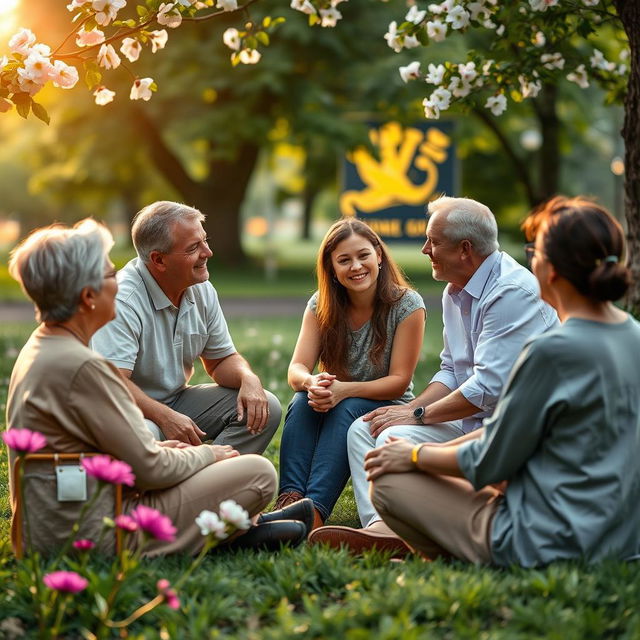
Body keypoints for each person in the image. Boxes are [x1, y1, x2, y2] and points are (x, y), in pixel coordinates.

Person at [5, 220, 310, 556]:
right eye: (110, 276)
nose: (118, 285)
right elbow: (149, 469)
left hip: (71, 512)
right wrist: (209, 455)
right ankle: (238, 530)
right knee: (259, 473)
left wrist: (176, 452)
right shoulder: (83, 366)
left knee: (227, 459)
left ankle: (244, 525)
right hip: (93, 530)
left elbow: (128, 454)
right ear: (88, 296)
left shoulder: (47, 345)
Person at [365, 196, 640, 566]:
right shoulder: (633, 336)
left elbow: (489, 461)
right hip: (622, 540)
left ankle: (451, 556)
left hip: (549, 541)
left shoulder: (551, 352)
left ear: (552, 270)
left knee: (388, 479)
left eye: (534, 251)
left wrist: (412, 455)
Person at [309, 196, 558, 553]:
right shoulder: (455, 290)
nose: (425, 249)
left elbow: (488, 389)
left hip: (506, 430)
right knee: (368, 428)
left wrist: (416, 413)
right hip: (470, 421)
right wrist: (412, 411)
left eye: (433, 241)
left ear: (465, 249)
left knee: (391, 440)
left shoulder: (511, 293)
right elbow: (452, 371)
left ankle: (417, 523)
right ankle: (384, 528)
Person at [91, 201, 281, 452]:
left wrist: (249, 378)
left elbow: (221, 360)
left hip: (175, 400)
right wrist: (164, 417)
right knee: (144, 435)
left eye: (205, 240)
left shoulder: (200, 287)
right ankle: (182, 482)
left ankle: (211, 483)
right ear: (159, 260)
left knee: (266, 405)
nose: (208, 252)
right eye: (194, 247)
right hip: (123, 410)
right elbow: (112, 384)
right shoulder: (121, 300)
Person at [275, 218, 426, 528]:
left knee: (347, 406)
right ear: (331, 268)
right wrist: (312, 382)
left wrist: (343, 390)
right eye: (344, 260)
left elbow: (399, 382)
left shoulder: (407, 305)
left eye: (363, 255)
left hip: (386, 404)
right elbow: (296, 370)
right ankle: (289, 500)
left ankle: (314, 511)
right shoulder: (321, 305)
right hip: (335, 399)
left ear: (379, 256)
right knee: (303, 401)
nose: (356, 266)